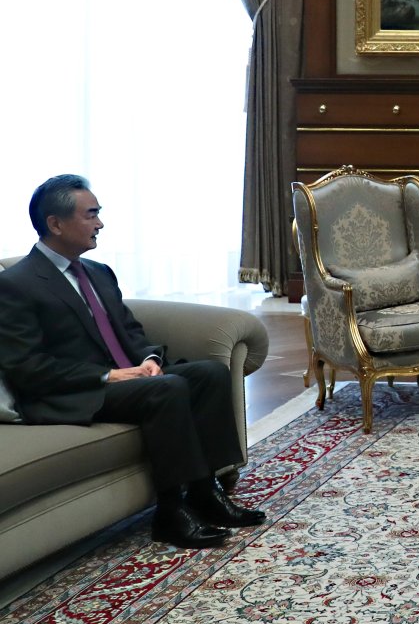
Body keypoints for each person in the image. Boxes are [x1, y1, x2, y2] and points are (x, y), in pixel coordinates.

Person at [0, 175, 265, 549]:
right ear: (55, 223)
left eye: (99, 214)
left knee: (209, 373)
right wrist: (108, 375)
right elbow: (27, 367)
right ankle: (171, 512)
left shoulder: (97, 272)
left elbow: (129, 330)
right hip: (74, 391)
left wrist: (149, 359)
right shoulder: (17, 284)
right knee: (168, 389)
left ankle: (207, 491)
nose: (100, 223)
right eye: (91, 215)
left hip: (130, 378)